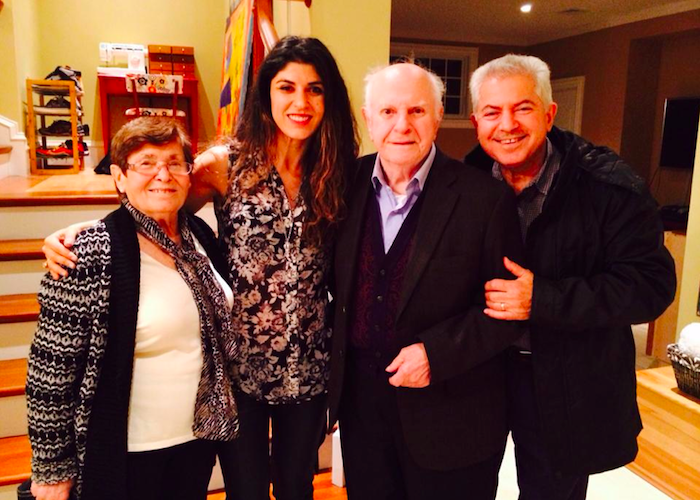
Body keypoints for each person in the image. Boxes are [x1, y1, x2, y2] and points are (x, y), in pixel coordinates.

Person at [42, 36, 358, 500]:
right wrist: (87, 231)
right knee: (246, 491)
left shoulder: (337, 170)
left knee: (297, 488)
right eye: (287, 87)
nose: (301, 102)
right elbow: (154, 211)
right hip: (236, 370)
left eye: (315, 89)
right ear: (266, 94)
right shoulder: (224, 164)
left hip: (309, 365)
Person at [466, 54, 676, 500]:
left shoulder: (608, 186)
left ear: (549, 114)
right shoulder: (464, 183)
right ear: (475, 122)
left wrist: (542, 298)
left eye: (523, 108)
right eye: (492, 111)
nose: (507, 124)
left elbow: (651, 285)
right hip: (479, 375)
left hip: (564, 383)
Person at [327, 62, 525, 500]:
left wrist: (437, 353)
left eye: (416, 111)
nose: (402, 125)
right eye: (388, 112)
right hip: (362, 413)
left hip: (453, 417)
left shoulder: (485, 199)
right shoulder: (343, 185)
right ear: (368, 119)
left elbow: (506, 312)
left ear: (437, 117)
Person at [26, 117, 238, 500]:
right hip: (126, 454)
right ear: (119, 177)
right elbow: (50, 373)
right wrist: (52, 469)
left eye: (174, 163)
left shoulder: (199, 237)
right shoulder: (88, 254)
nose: (163, 175)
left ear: (189, 174)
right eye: (146, 163)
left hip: (196, 440)